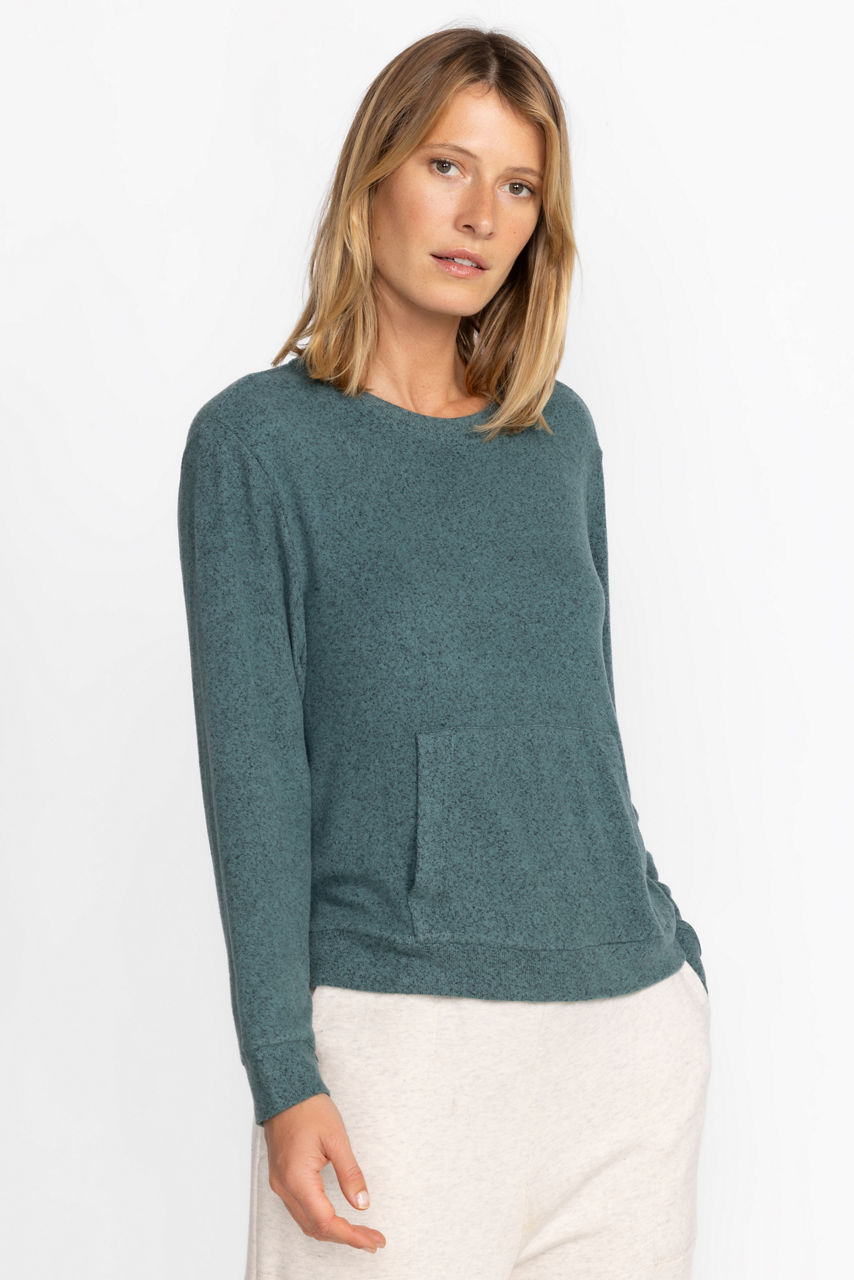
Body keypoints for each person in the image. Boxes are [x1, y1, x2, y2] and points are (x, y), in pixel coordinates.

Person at [177, 23, 711, 1280]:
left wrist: (677, 962)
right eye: (446, 166)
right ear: (374, 172)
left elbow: (586, 727)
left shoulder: (557, 440)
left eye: (518, 186)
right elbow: (254, 775)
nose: (479, 215)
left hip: (625, 1042)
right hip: (397, 1048)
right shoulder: (256, 446)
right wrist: (281, 1068)